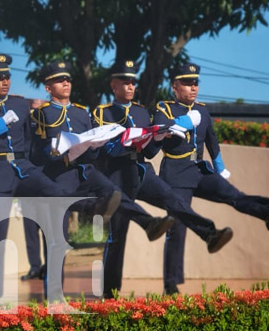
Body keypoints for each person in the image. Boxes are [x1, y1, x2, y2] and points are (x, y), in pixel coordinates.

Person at [93, 60, 234, 298]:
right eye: (125, 82)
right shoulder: (101, 113)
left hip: (140, 169)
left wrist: (156, 139)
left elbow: (149, 152)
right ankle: (109, 293)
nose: (130, 86)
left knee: (172, 199)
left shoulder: (140, 111)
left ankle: (209, 233)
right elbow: (96, 151)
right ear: (113, 84)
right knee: (117, 234)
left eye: (133, 82)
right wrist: (119, 144)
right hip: (116, 173)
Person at [153, 62, 269, 295]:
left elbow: (212, 142)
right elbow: (161, 128)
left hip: (199, 170)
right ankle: (171, 284)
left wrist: (220, 168)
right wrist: (188, 121)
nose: (193, 88)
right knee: (178, 225)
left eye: (196, 83)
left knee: (233, 195)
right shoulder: (165, 108)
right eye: (187, 83)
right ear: (175, 86)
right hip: (175, 172)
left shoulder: (204, 110)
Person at [0, 54, 84, 303]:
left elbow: (30, 141)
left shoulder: (20, 104)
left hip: (23, 167)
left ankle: (93, 205)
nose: (5, 81)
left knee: (57, 192)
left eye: (7, 76)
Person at [30, 60, 176, 245]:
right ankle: (54, 270)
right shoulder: (41, 114)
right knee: (58, 239)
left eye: (67, 79)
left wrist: (95, 146)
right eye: (59, 80)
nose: (66, 83)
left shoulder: (81, 113)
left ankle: (147, 222)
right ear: (48, 88)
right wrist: (52, 150)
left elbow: (93, 154)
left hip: (84, 170)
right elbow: (34, 154)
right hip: (59, 173)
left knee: (113, 192)